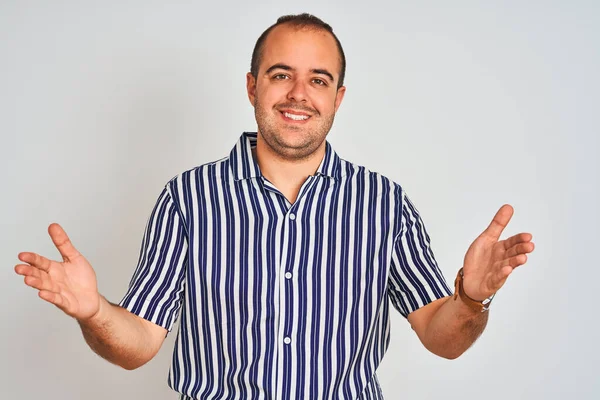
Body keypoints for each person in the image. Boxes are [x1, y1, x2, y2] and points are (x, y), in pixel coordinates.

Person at [14, 13, 534, 400]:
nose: (299, 94)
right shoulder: (188, 200)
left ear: (338, 97)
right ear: (252, 86)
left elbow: (441, 339)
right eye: (281, 74)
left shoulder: (384, 205)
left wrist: (469, 298)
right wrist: (93, 311)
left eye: (318, 80)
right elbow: (139, 343)